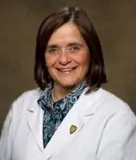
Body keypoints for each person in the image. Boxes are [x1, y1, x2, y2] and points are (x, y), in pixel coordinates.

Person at [0, 6, 136, 160]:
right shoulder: (21, 107)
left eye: (74, 48)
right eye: (53, 50)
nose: (64, 59)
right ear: (43, 57)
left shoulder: (117, 116)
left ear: (91, 53)